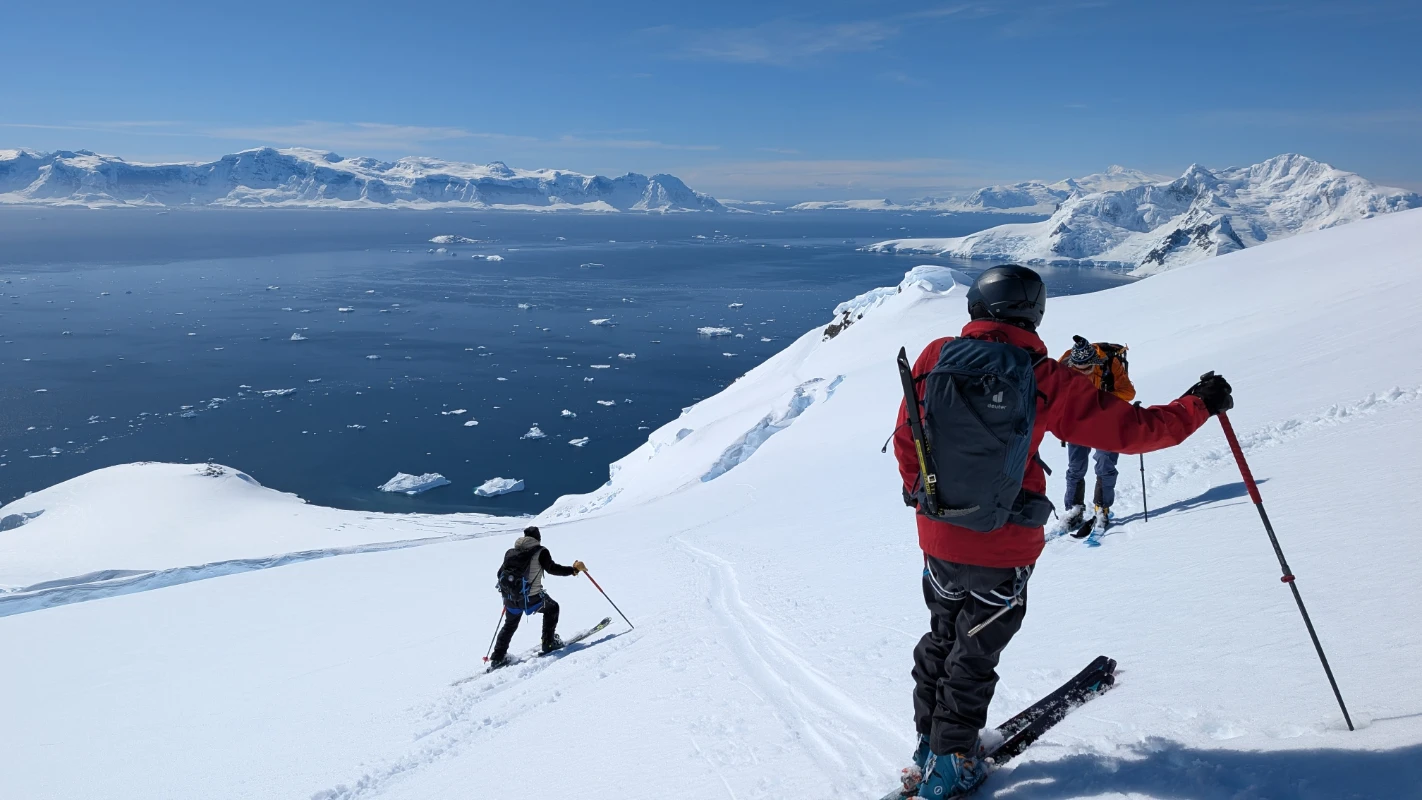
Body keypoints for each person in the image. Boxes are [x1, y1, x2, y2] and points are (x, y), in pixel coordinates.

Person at [892, 265, 1232, 797]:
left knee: (942, 636)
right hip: (1002, 546)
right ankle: (952, 760)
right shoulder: (1041, 375)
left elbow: (906, 434)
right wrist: (1198, 405)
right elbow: (1133, 431)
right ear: (1033, 312)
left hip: (937, 535)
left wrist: (926, 497)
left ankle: (927, 744)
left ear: (977, 309)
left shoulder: (936, 356)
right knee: (975, 653)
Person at [1058, 335, 1136, 533]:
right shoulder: (1065, 365)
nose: (1083, 373)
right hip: (1078, 420)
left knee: (1105, 464)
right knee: (1076, 467)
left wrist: (1101, 399)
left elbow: (1128, 392)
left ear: (1095, 362)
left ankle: (1102, 507)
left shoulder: (1110, 363)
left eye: (1087, 369)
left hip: (1106, 419)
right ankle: (1074, 509)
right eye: (1079, 370)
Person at [489, 526, 586, 669]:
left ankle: (498, 657)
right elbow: (552, 569)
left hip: (510, 598)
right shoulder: (541, 551)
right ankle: (549, 642)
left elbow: (499, 574)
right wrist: (573, 570)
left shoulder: (511, 552)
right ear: (538, 538)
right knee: (552, 608)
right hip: (530, 598)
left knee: (509, 625)